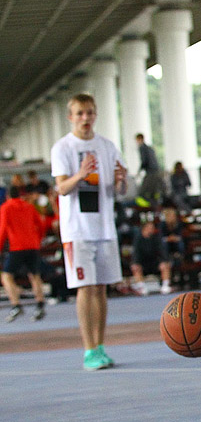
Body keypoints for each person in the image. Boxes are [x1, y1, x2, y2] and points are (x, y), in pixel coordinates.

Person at [51, 93, 128, 370]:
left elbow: (119, 190)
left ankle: (101, 345)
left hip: (104, 228)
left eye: (90, 113)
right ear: (71, 117)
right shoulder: (63, 148)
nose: (86, 118)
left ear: (95, 115)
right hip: (77, 230)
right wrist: (81, 174)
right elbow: (61, 187)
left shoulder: (107, 146)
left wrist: (121, 181)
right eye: (80, 113)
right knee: (86, 287)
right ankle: (88, 349)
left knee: (101, 288)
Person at [1, 186, 47, 322]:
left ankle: (16, 304)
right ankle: (40, 304)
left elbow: (3, 229)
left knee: (6, 276)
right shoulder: (29, 206)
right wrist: (38, 240)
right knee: (35, 275)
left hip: (17, 247)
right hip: (32, 245)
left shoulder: (6, 207)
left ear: (8, 196)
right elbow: (41, 224)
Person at [130, 221, 172, 296]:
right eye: (149, 228)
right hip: (143, 263)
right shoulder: (138, 239)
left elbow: (162, 251)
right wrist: (135, 263)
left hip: (154, 263)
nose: (151, 230)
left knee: (165, 265)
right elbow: (135, 253)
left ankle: (165, 285)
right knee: (135, 267)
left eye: (152, 228)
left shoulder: (156, 237)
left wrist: (165, 261)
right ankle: (141, 287)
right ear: (144, 229)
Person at [135, 133, 163, 207]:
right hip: (156, 171)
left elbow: (144, 161)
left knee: (143, 192)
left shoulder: (142, 148)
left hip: (150, 172)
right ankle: (155, 207)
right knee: (153, 192)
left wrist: (139, 171)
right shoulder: (150, 148)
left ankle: (149, 206)